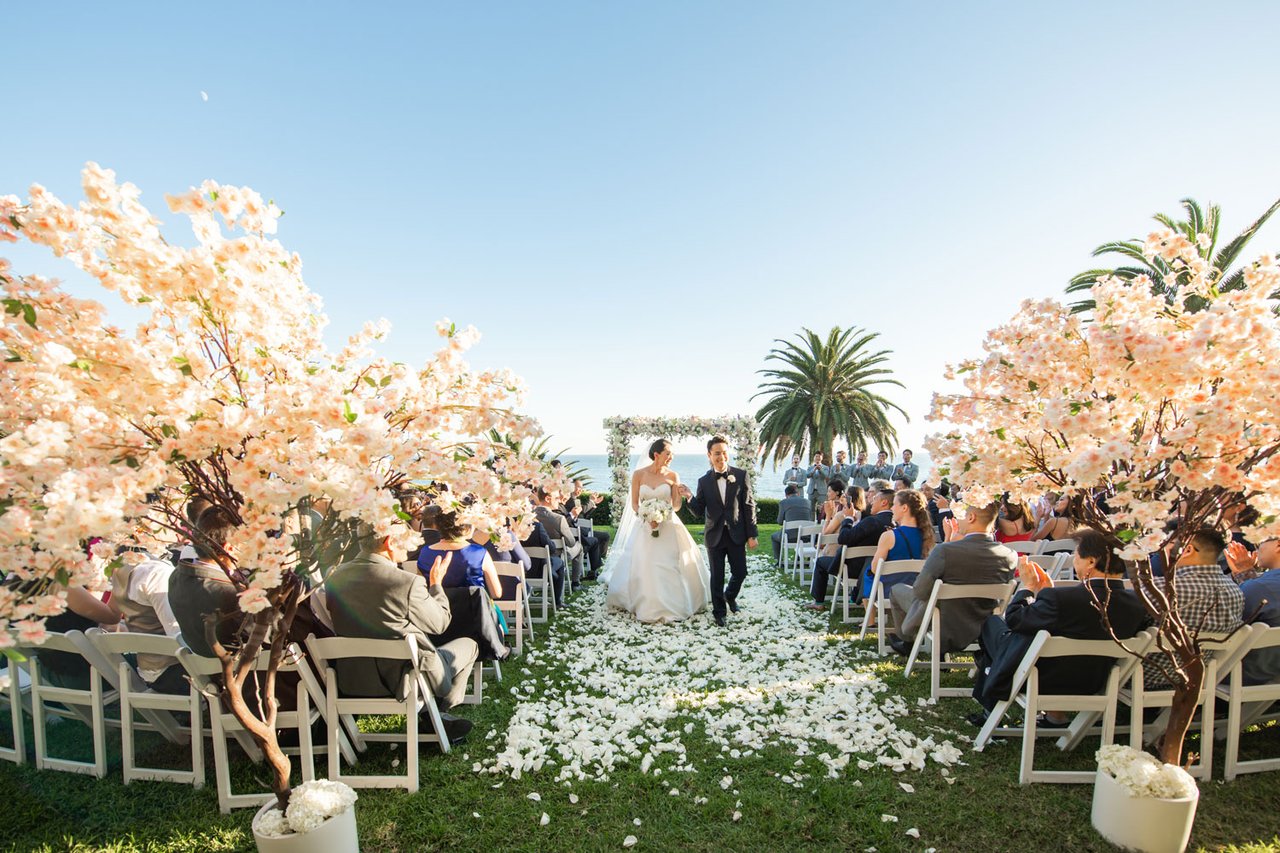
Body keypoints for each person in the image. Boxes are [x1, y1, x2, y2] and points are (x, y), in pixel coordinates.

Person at [970, 528, 1150, 725]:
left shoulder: (1062, 599)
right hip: (1095, 682)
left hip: (1040, 680)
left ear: (1091, 561)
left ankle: (990, 699)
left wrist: (1028, 588)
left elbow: (1015, 620)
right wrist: (1048, 595)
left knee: (992, 623)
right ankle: (1055, 715)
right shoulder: (1137, 604)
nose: (1074, 561)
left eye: (1077, 555)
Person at [325, 523, 477, 740]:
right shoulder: (406, 582)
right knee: (469, 645)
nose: (410, 546)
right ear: (389, 542)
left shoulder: (334, 577)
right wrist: (436, 584)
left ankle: (434, 717)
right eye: (406, 539)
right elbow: (440, 623)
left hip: (353, 680)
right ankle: (437, 714)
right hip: (404, 683)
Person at [887, 501, 1019, 656]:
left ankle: (907, 641)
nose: (956, 520)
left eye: (958, 516)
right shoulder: (1010, 555)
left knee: (897, 590)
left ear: (971, 517)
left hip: (943, 623)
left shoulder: (945, 551)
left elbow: (920, 591)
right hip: (983, 625)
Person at [604, 439, 711, 623]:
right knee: (644, 563)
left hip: (668, 525)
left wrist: (666, 511)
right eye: (668, 453)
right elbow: (635, 504)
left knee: (670, 564)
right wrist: (647, 517)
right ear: (656, 455)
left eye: (672, 454)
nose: (671, 457)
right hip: (644, 527)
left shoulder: (673, 476)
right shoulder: (638, 475)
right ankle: (645, 603)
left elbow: (676, 506)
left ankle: (674, 603)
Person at [1144, 528, 1245, 688]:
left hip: (1143, 677)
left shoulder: (1159, 588)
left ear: (1187, 549)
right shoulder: (1236, 591)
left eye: (1166, 545)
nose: (1161, 551)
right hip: (1195, 679)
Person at [680, 435, 758, 627]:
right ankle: (719, 612)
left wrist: (752, 534)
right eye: (717, 453)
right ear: (709, 455)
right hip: (714, 535)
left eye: (724, 453)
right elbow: (698, 511)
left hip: (736, 534)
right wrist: (689, 497)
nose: (721, 457)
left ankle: (729, 596)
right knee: (717, 576)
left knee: (740, 572)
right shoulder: (704, 481)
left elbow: (749, 506)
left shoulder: (740, 475)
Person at [809, 486, 895, 607]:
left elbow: (844, 538)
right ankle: (854, 598)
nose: (871, 501)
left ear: (884, 502)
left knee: (820, 562)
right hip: (879, 568)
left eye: (875, 498)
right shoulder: (894, 523)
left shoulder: (872, 521)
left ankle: (818, 602)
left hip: (856, 569)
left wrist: (848, 518)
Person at [864, 488, 936, 609]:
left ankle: (869, 618)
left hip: (888, 592)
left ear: (904, 508)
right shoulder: (928, 535)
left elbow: (876, 569)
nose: (891, 508)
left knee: (868, 572)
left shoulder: (889, 536)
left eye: (894, 504)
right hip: (918, 590)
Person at [1226, 537, 1280, 684]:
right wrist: (1245, 574)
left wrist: (1246, 577)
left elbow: (1225, 628)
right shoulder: (1262, 585)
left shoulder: (1261, 586)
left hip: (1244, 674)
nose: (1257, 547)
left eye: (1261, 541)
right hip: (1273, 674)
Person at [533, 487, 585, 591]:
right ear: (548, 499)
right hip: (556, 556)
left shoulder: (529, 515)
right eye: (557, 498)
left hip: (533, 558)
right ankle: (575, 582)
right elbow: (571, 542)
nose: (560, 500)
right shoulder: (558, 518)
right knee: (579, 547)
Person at [772, 483, 814, 563]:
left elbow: (779, 522)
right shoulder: (808, 502)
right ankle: (798, 560)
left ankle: (778, 561)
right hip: (806, 537)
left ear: (786, 495)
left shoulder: (783, 503)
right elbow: (810, 520)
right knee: (798, 532)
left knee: (774, 537)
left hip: (789, 537)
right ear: (798, 493)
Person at [806, 452, 832, 518]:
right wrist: (814, 469)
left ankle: (821, 524)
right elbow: (807, 475)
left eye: (819, 456)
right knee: (811, 509)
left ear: (822, 458)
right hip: (811, 491)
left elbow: (825, 476)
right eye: (816, 456)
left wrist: (820, 469)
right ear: (814, 458)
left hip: (822, 492)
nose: (817, 458)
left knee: (822, 509)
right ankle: (811, 525)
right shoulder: (810, 467)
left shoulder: (826, 467)